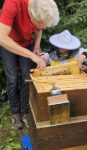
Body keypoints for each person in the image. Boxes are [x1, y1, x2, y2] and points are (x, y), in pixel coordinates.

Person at [0, 0, 59, 129]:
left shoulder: (41, 5)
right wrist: (32, 55)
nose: (42, 29)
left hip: (27, 43)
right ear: (32, 15)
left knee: (27, 79)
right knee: (13, 79)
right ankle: (15, 113)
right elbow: (1, 37)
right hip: (7, 43)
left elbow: (39, 28)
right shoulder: (13, 3)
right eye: (41, 26)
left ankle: (25, 112)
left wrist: (37, 45)